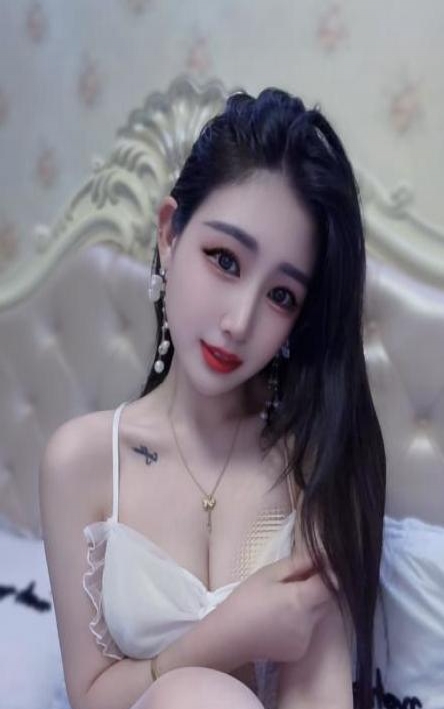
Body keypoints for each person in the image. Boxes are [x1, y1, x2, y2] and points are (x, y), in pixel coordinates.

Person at [39, 87, 386, 709]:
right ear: (169, 234)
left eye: (281, 295)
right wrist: (229, 634)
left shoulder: (310, 461)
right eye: (225, 260)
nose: (239, 322)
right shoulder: (83, 461)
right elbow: (91, 698)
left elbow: (319, 696)